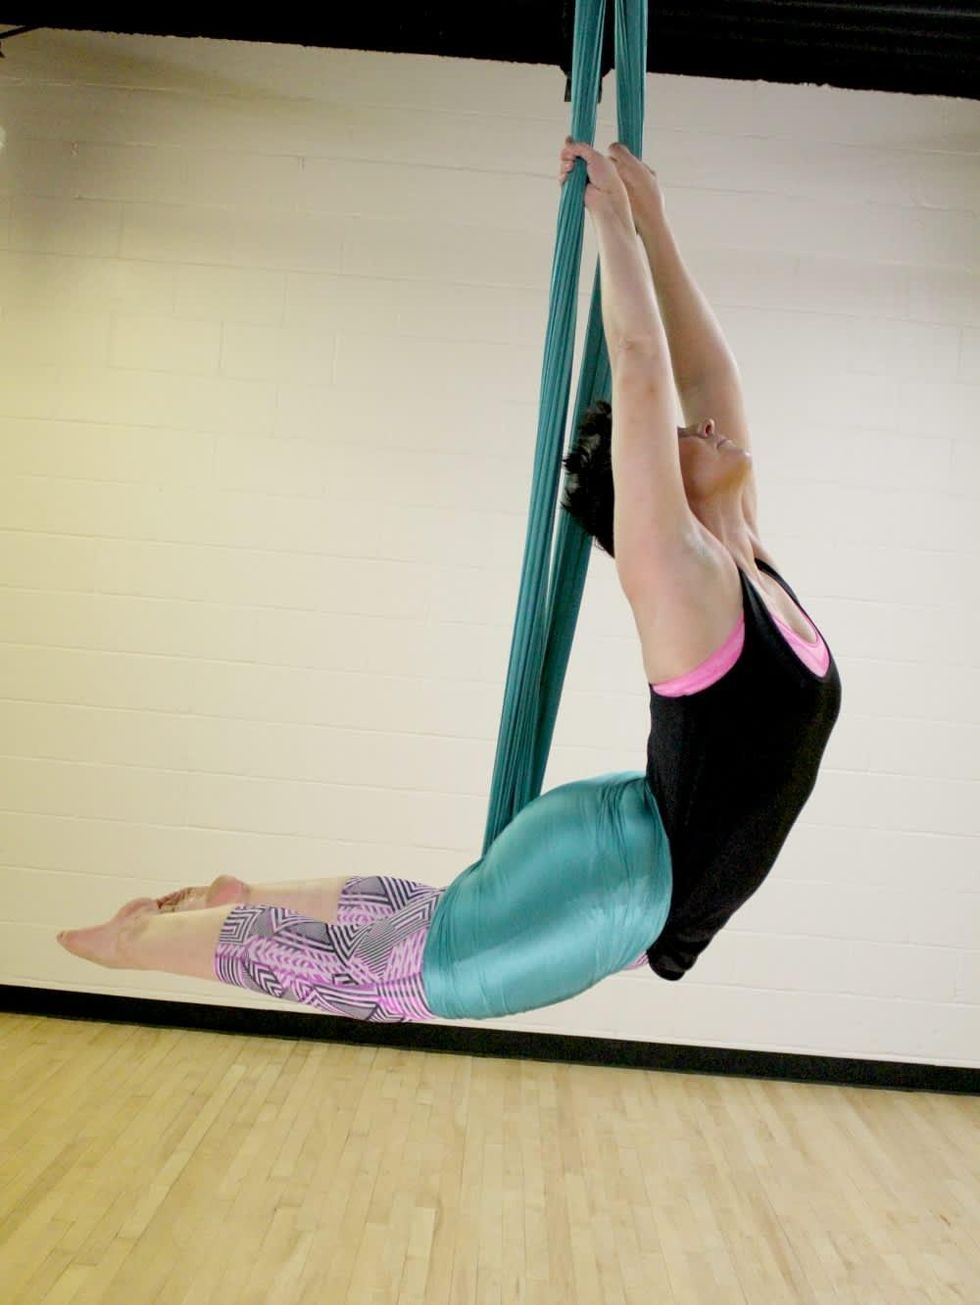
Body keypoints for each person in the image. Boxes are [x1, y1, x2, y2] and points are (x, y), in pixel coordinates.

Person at [57, 139, 841, 1020]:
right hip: (618, 882)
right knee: (400, 973)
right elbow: (643, 364)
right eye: (681, 437)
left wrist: (654, 222)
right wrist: (612, 223)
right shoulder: (686, 579)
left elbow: (702, 373)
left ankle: (231, 904)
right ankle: (143, 937)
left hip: (616, 857)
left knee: (440, 934)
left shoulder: (744, 556)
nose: (708, 426)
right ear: (656, 491)